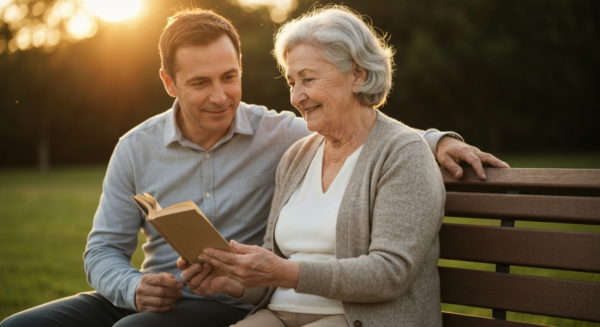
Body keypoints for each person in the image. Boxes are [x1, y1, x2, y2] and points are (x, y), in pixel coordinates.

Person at [0, 7, 507, 327]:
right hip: (168, 294)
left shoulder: (283, 133)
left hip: (262, 308)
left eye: (230, 77)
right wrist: (133, 287)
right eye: (200, 83)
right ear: (169, 83)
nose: (220, 96)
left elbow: (369, 128)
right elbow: (104, 250)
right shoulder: (138, 147)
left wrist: (435, 140)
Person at [179, 7, 449, 327]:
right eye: (292, 82)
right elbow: (274, 269)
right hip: (277, 314)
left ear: (358, 74)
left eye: (308, 79)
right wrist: (234, 282)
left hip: (359, 319)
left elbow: (389, 274)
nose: (296, 96)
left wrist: (286, 273)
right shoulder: (297, 157)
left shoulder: (403, 154)